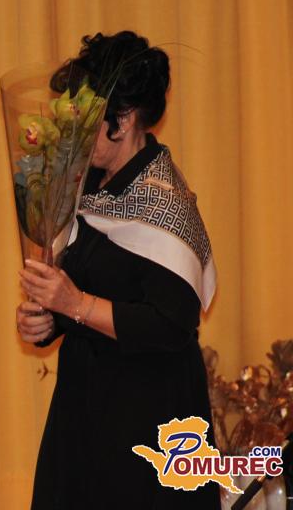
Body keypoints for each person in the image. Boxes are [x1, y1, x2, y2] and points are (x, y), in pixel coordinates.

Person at [15, 31, 219, 509]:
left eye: (84, 116)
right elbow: (80, 290)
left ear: (122, 120)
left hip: (147, 418)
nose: (71, 128)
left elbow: (171, 324)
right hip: (83, 407)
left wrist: (75, 304)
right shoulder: (86, 185)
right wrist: (47, 321)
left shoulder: (166, 203)